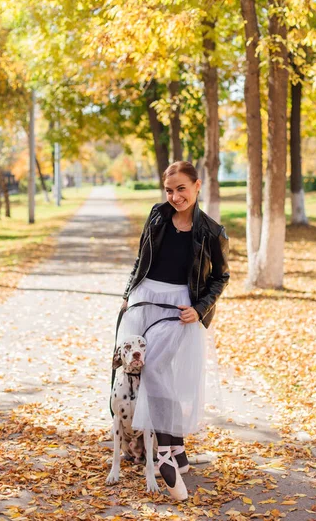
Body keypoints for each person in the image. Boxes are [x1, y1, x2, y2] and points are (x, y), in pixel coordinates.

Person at [113, 160, 229, 500]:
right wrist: (126, 296)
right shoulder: (157, 215)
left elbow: (221, 276)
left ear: (197, 186)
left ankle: (164, 453)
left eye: (181, 188)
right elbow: (140, 259)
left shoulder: (212, 231)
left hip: (179, 307)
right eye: (169, 190)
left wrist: (200, 307)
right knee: (145, 370)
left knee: (157, 369)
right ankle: (175, 447)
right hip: (144, 298)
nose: (175, 196)